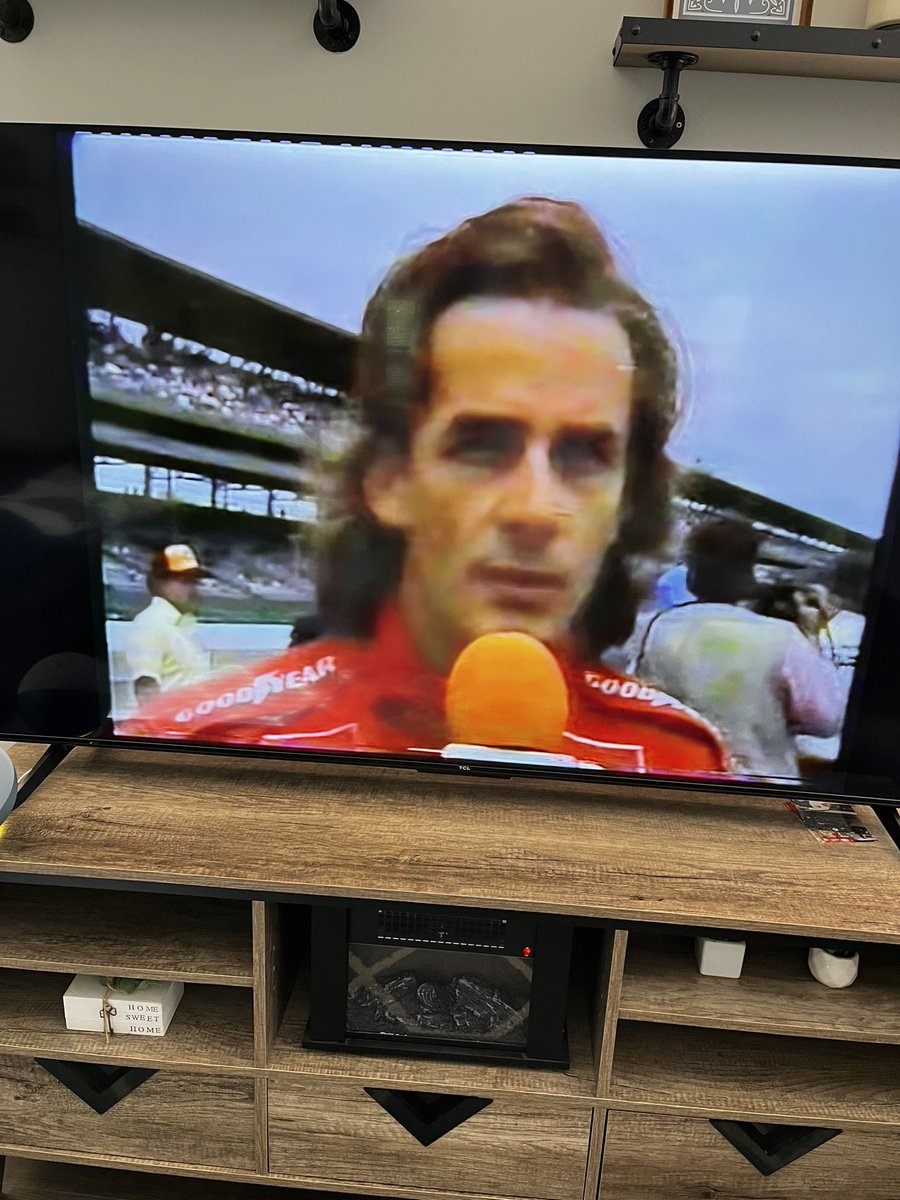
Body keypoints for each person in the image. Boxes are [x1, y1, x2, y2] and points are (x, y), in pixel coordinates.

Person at [124, 198, 726, 776]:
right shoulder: (200, 749)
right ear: (390, 479)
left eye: (586, 454)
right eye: (481, 446)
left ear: (626, 501)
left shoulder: (676, 758)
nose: (536, 510)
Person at [631, 519, 842, 780]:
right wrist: (812, 636)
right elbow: (825, 720)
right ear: (749, 571)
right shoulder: (784, 637)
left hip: (665, 773)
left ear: (693, 570)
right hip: (758, 785)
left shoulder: (651, 627)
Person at [124, 544, 209, 704]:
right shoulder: (151, 623)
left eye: (194, 580)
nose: (192, 588)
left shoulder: (183, 624)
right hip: (168, 725)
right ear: (159, 583)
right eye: (183, 581)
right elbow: (145, 687)